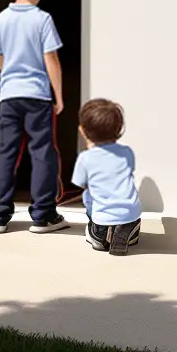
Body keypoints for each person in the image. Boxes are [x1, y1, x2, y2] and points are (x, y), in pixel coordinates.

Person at [0, 0, 69, 235]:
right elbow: (51, 59)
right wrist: (58, 95)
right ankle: (43, 215)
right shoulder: (42, 19)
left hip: (9, 96)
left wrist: (8, 74)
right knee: (42, 152)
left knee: (6, 152)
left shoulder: (2, 19)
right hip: (37, 96)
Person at [71, 99, 143, 256]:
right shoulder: (127, 152)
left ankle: (100, 234)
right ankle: (128, 230)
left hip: (102, 220)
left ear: (82, 131)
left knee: (87, 194)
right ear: (119, 130)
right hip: (131, 215)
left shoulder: (86, 158)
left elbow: (81, 183)